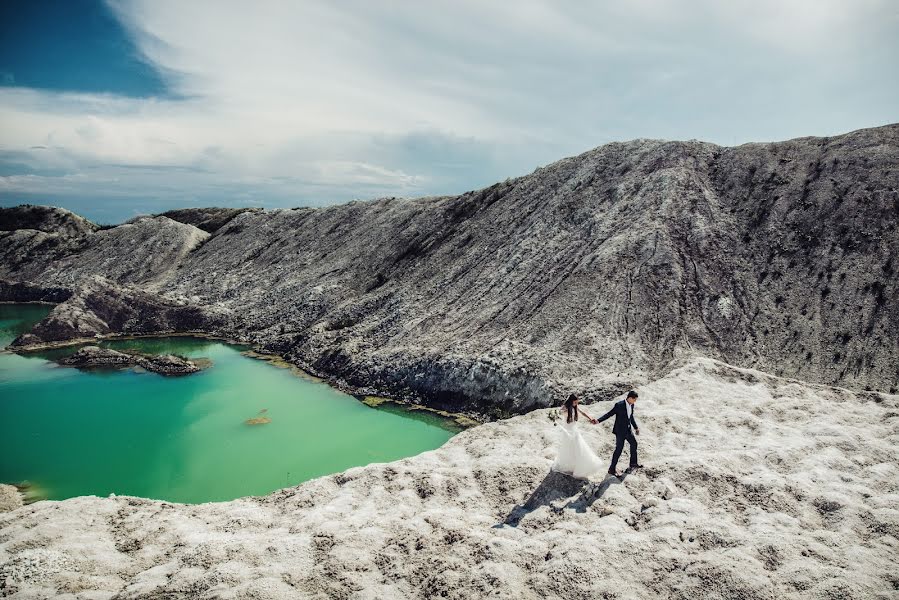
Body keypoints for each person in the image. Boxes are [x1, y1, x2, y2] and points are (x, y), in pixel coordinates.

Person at [551, 393, 605, 479]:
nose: (576, 404)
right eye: (575, 402)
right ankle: (570, 466)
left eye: (577, 402)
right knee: (568, 447)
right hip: (567, 430)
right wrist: (554, 417)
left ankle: (578, 464)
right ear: (571, 401)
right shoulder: (565, 407)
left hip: (574, 429)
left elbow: (582, 413)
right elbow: (558, 413)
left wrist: (590, 418)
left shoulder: (575, 407)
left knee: (578, 446)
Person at [595, 390, 643, 478]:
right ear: (629, 398)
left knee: (634, 444)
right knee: (619, 449)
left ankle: (633, 463)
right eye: (634, 399)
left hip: (628, 430)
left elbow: (631, 417)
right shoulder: (619, 405)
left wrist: (636, 427)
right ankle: (612, 469)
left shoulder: (632, 405)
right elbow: (609, 414)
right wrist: (598, 420)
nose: (635, 401)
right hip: (620, 432)